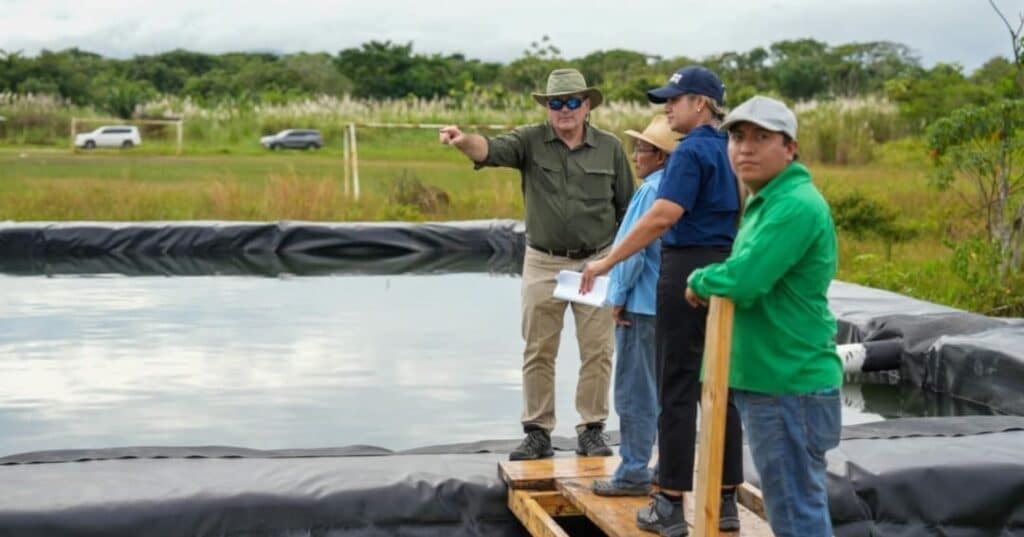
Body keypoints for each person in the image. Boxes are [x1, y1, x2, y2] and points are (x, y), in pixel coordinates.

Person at [579, 66, 744, 537]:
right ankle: (726, 500)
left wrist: (606, 263)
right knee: (722, 392)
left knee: (675, 388)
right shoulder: (728, 147)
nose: (667, 107)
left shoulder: (690, 150)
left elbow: (663, 217)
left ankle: (670, 502)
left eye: (675, 99)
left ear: (701, 104)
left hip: (686, 268)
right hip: (724, 264)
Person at [439, 68, 634, 460]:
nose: (565, 110)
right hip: (544, 261)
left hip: (595, 262)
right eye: (556, 103)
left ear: (586, 105)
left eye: (572, 102)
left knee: (597, 350)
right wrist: (462, 142)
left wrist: (619, 267)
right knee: (539, 349)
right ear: (547, 108)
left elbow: (628, 210)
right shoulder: (529, 140)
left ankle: (592, 429)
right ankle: (537, 431)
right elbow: (488, 150)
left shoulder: (610, 148)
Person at [686, 96, 843, 537]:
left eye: (761, 137)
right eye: (737, 137)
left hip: (789, 382)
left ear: (789, 147)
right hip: (773, 380)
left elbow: (745, 279)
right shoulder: (766, 199)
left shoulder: (793, 204)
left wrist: (699, 280)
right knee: (792, 508)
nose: (745, 148)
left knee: (796, 516)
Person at [589, 116, 679, 497]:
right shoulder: (679, 193)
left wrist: (617, 298)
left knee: (634, 392)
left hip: (641, 306)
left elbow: (631, 254)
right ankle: (668, 467)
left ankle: (632, 472)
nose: (635, 156)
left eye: (641, 148)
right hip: (670, 306)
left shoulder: (649, 194)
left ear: (660, 156)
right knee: (668, 391)